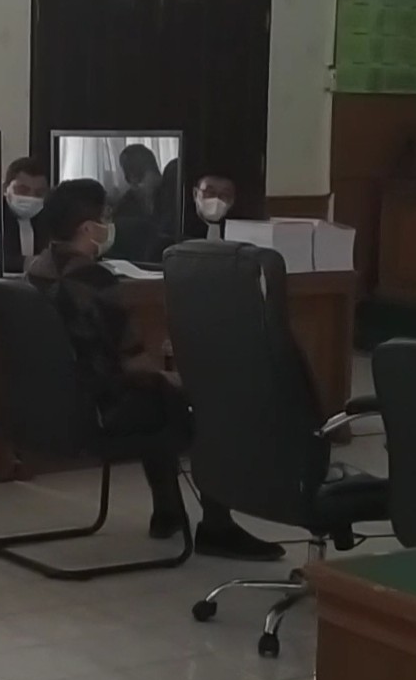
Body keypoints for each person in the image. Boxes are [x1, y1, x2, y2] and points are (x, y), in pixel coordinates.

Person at [25, 179, 284, 560]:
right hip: (102, 405)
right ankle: (216, 526)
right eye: (105, 216)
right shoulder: (93, 280)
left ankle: (168, 510)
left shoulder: (37, 269)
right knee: (208, 402)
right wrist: (181, 377)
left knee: (159, 397)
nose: (110, 223)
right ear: (87, 228)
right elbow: (133, 361)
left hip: (57, 400)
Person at [188, 173, 237, 240]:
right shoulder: (178, 228)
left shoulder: (238, 232)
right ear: (195, 194)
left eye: (225, 194)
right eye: (210, 192)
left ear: (232, 200)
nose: (217, 198)